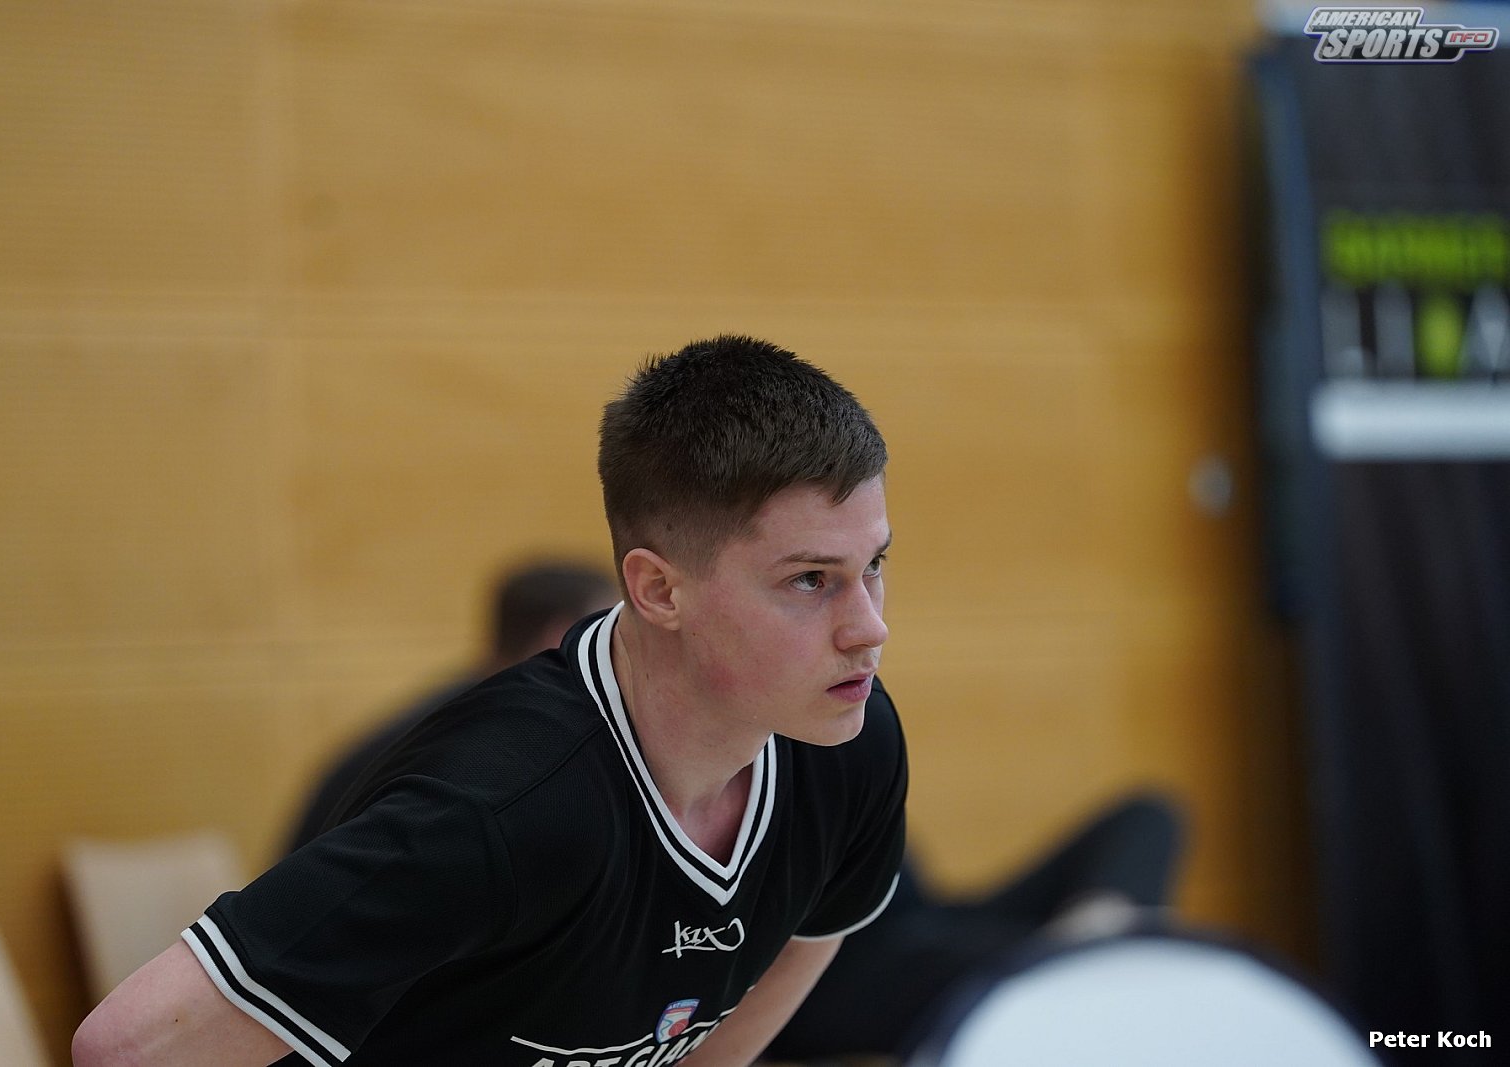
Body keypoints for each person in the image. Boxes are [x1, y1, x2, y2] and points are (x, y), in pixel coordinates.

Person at [73, 335, 907, 1067]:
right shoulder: (497, 807)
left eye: (872, 564)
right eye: (810, 579)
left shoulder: (852, 747)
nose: (869, 627)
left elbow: (767, 988)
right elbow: (128, 1047)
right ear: (659, 590)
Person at [765, 791, 1185, 1060]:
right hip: (843, 975)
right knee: (1025, 962)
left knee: (1148, 816)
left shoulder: (836, 740)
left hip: (923, 920)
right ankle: (1082, 963)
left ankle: (1092, 946)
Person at [281, 560, 617, 857]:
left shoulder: (473, 706)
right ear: (561, 635)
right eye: (609, 632)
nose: (618, 650)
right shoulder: (487, 739)